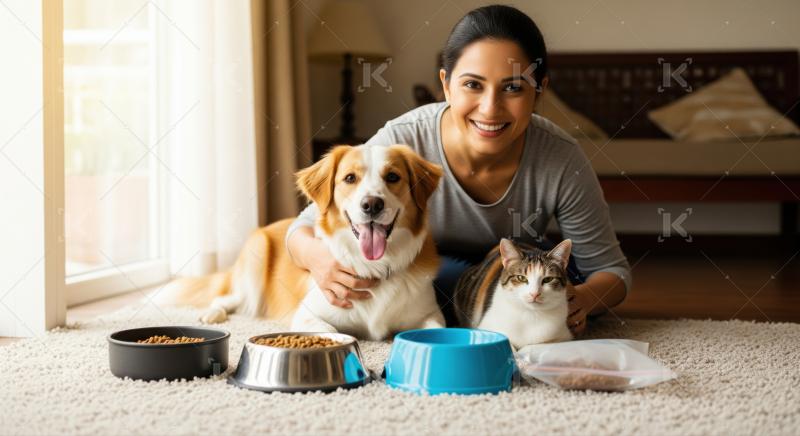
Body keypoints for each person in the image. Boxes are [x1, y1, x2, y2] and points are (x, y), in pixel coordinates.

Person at [285, 4, 631, 336]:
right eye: (472, 85)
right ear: (446, 85)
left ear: (539, 90)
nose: (490, 108)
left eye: (513, 87)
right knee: (439, 279)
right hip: (430, 268)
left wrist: (581, 299)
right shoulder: (402, 140)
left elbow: (611, 272)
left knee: (548, 269)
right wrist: (319, 261)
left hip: (515, 264)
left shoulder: (561, 157)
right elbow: (301, 228)